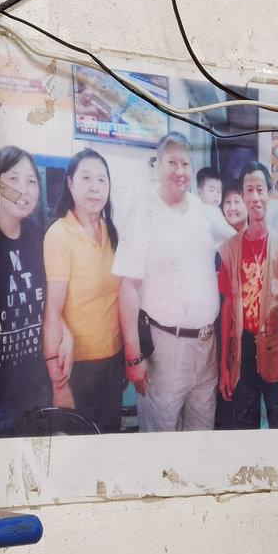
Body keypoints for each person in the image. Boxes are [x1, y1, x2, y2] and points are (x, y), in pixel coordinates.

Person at [113, 132, 235, 432]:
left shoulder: (204, 211)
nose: (179, 171)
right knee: (161, 441)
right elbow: (128, 286)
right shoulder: (143, 212)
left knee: (199, 437)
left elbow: (239, 245)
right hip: (165, 351)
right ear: (158, 166)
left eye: (185, 163)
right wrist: (133, 358)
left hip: (207, 349)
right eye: (172, 162)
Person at [42, 149, 123, 433]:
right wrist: (59, 385)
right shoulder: (60, 235)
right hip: (78, 368)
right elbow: (52, 313)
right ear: (70, 183)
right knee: (82, 449)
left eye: (102, 179)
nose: (94, 186)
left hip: (113, 361)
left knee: (110, 439)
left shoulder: (111, 231)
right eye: (86, 177)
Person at [217, 162, 278, 429]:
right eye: (248, 190)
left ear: (269, 194)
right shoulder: (229, 249)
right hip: (242, 352)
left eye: (259, 189)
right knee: (244, 431)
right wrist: (224, 367)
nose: (254, 197)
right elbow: (227, 307)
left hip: (277, 352)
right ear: (242, 195)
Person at [0, 146, 52, 437]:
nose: (23, 190)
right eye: (13, 179)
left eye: (31, 181)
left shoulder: (41, 237)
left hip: (36, 383)